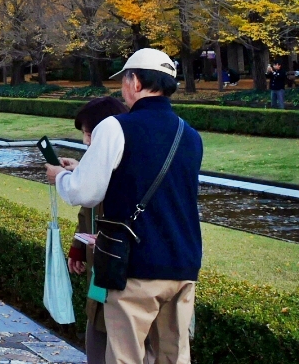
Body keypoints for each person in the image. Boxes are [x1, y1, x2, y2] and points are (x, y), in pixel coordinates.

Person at [48, 49, 202, 364]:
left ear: (134, 81)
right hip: (183, 266)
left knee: (124, 357)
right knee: (173, 357)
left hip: (136, 266)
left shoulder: (115, 127)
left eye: (124, 79)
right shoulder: (191, 135)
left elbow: (84, 193)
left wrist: (61, 176)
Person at [66, 97, 130, 364]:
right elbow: (87, 210)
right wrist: (78, 247)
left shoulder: (127, 165)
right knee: (95, 331)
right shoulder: (99, 162)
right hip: (100, 269)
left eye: (89, 134)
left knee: (107, 342)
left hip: (116, 268)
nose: (86, 142)